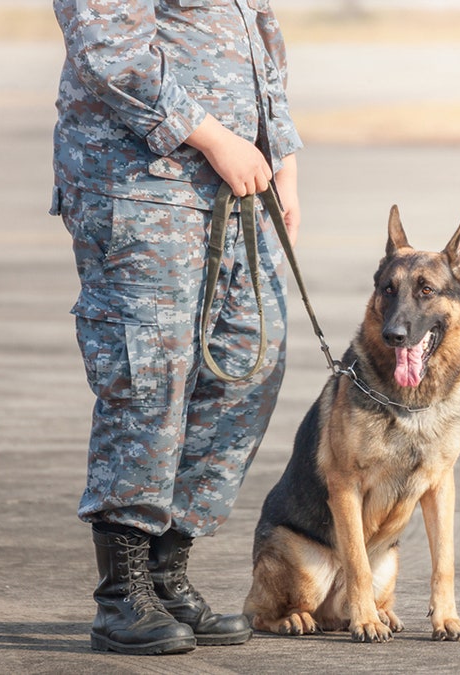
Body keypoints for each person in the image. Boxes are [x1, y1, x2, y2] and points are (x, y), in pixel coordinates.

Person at [49, 0, 302, 656]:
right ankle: (123, 590)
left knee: (255, 351)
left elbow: (261, 38)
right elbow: (109, 46)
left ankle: (167, 565)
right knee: (150, 370)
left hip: (239, 184)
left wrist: (283, 157)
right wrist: (215, 138)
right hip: (140, 182)